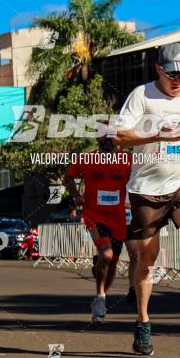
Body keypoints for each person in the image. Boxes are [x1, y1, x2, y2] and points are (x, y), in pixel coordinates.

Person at [111, 42, 180, 355]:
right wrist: (156, 136)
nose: (178, 81)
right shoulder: (141, 96)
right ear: (159, 69)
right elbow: (119, 136)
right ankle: (143, 322)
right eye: (173, 74)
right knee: (148, 261)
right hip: (146, 188)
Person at [62, 135, 136, 323]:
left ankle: (100, 297)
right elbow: (68, 176)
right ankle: (100, 296)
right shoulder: (87, 159)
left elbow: (140, 179)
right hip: (94, 216)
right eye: (104, 137)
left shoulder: (127, 159)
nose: (108, 140)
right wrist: (76, 195)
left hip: (118, 218)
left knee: (112, 263)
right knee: (107, 254)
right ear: (97, 139)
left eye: (111, 137)